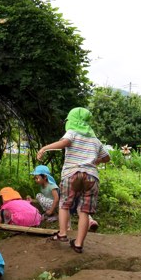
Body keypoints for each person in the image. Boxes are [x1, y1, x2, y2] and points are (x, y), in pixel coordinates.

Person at [36, 107, 110, 253]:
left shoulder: (72, 132)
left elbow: (65, 143)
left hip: (72, 173)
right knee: (84, 211)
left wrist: (45, 148)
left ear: (72, 120)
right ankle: (78, 244)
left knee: (64, 204)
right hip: (91, 177)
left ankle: (62, 233)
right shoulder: (95, 140)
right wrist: (97, 162)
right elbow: (107, 157)